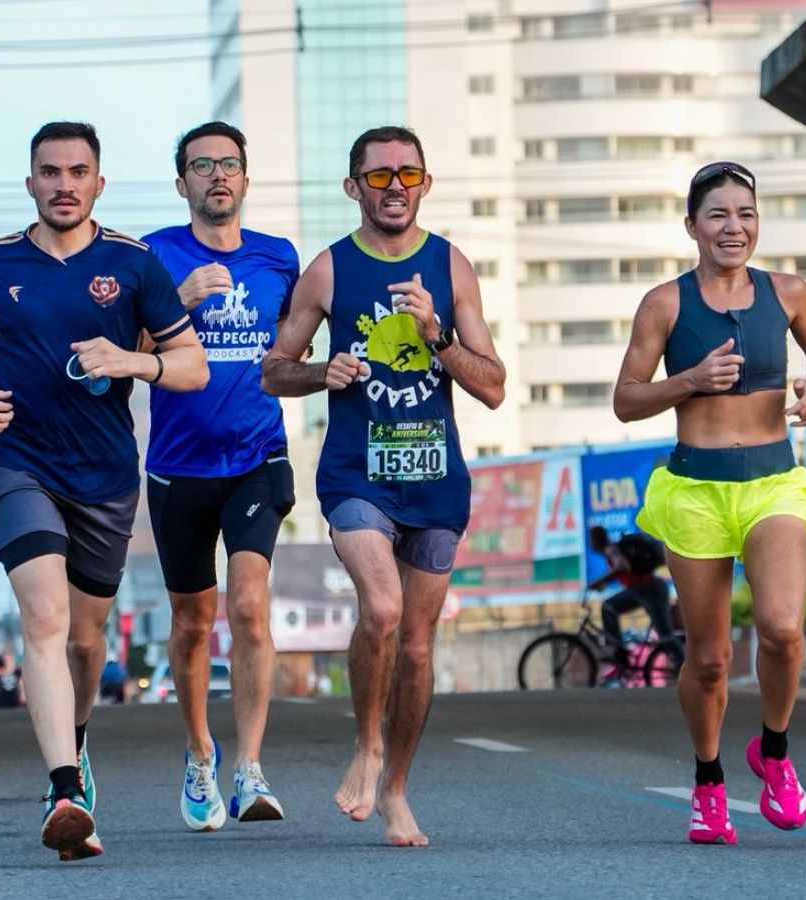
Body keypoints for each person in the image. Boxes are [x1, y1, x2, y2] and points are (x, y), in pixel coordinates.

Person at [0, 121, 208, 861]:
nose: (63, 185)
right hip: (18, 462)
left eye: (77, 172)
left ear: (98, 183)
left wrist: (132, 361)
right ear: (30, 182)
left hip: (104, 478)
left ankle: (75, 746)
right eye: (50, 172)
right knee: (45, 617)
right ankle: (64, 791)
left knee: (85, 642)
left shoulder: (133, 264)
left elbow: (192, 365)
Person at [262, 126, 505, 846]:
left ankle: (396, 786)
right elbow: (274, 370)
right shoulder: (328, 270)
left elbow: (493, 386)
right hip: (356, 475)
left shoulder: (451, 266)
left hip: (435, 481)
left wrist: (437, 336)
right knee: (385, 607)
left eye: (407, 174)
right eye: (378, 176)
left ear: (425, 184)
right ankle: (366, 744)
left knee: (418, 648)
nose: (394, 187)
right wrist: (321, 372)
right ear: (353, 187)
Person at [613, 161, 806, 845]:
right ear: (692, 226)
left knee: (782, 628)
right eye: (718, 214)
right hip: (695, 491)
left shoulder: (789, 292)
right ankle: (708, 782)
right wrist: (689, 379)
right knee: (709, 658)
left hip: (774, 482)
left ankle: (774, 751)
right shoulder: (664, 304)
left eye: (745, 213)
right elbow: (626, 400)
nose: (733, 226)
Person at [142, 121, 299, 831]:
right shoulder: (154, 256)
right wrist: (176, 301)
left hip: (256, 458)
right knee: (191, 622)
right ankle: (200, 751)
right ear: (183, 184)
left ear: (245, 177)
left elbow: (295, 347)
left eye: (229, 164)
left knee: (249, 606)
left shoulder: (279, 257)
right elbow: (123, 351)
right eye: (202, 166)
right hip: (177, 468)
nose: (217, 176)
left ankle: (250, 768)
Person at [585, 526, 674, 678]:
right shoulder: (612, 550)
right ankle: (620, 654)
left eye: (591, 540)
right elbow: (626, 573)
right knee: (610, 607)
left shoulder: (611, 549)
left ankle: (621, 654)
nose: (590, 544)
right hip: (643, 590)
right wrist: (601, 584)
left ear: (596, 540)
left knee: (666, 636)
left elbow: (623, 567)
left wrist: (598, 581)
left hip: (649, 589)